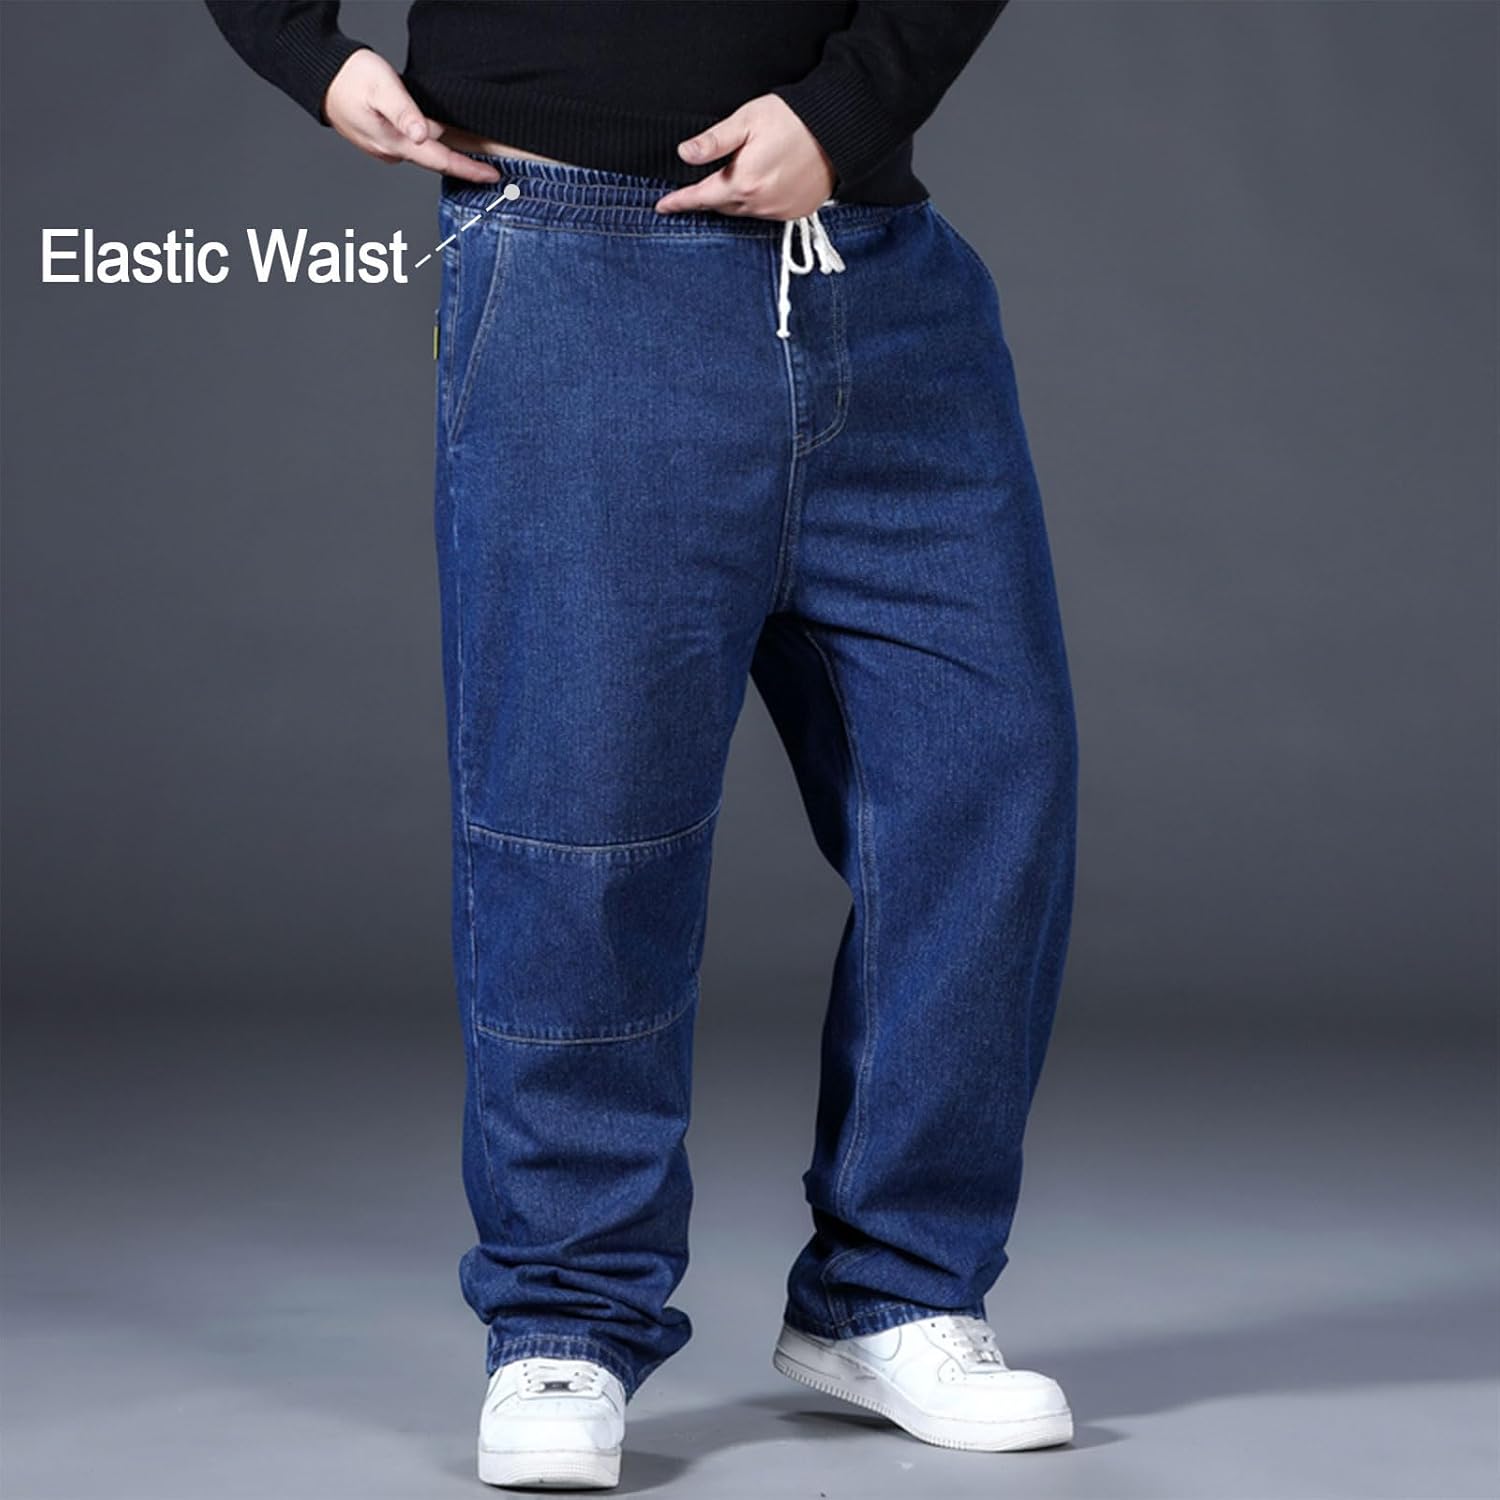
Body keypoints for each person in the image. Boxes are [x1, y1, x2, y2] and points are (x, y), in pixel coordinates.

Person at [205, 2, 1081, 1489]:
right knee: (583, 820)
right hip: (577, 266)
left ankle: (897, 1287)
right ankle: (564, 1316)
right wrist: (312, 55)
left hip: (880, 277)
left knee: (987, 796)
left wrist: (849, 108)